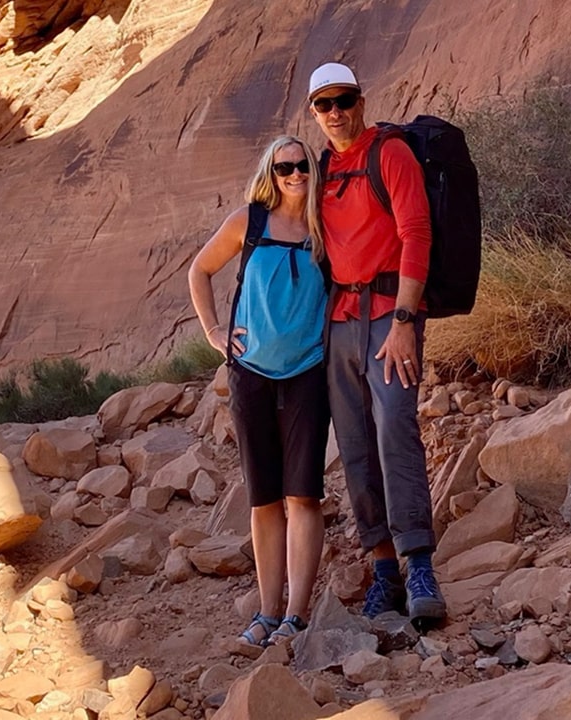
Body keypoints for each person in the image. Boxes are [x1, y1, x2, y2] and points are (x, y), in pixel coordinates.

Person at [307, 62, 446, 623]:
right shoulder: (320, 168)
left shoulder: (389, 153)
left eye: (344, 101)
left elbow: (417, 233)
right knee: (356, 443)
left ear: (361, 101)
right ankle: (383, 568)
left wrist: (407, 320)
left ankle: (419, 564)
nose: (336, 113)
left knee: (396, 430)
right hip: (340, 320)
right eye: (324, 105)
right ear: (315, 113)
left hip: (392, 315)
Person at [187, 136, 331, 647]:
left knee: (304, 494)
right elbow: (200, 270)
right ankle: (267, 612)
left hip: (309, 372)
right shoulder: (247, 222)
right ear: (271, 172)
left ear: (314, 171)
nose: (294, 174)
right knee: (265, 497)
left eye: (302, 166)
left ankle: (296, 614)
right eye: (284, 166)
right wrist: (213, 334)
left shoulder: (323, 227)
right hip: (251, 373)